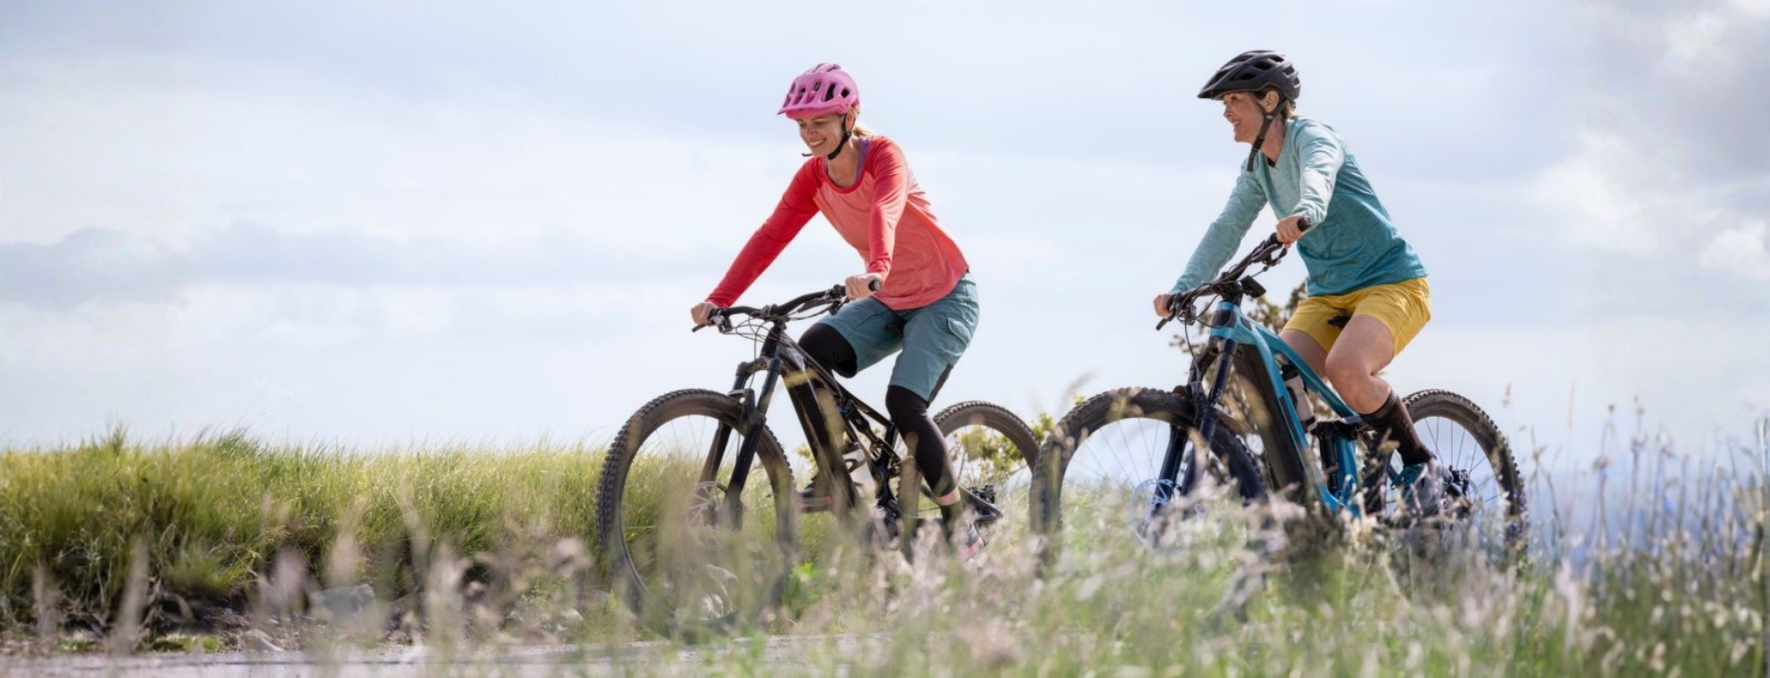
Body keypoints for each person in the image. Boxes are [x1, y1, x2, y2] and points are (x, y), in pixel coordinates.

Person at [690, 63, 994, 549]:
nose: (810, 133)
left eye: (820, 122)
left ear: (850, 116)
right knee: (810, 352)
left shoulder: (884, 155)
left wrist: (876, 267)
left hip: (944, 296)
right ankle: (847, 472)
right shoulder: (813, 176)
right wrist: (719, 299)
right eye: (802, 124)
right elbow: (770, 237)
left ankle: (962, 528)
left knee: (904, 404)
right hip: (887, 297)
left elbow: (885, 209)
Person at [1154, 51, 1446, 515]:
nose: (1226, 112)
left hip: (1392, 283)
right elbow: (1227, 227)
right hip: (1328, 295)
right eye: (1224, 103)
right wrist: (1184, 287)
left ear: (1270, 100)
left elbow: (1319, 175)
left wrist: (1307, 210)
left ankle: (1421, 463)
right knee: (1271, 380)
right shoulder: (1257, 166)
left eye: (1234, 100)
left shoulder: (1313, 135)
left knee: (1347, 368)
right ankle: (1315, 488)